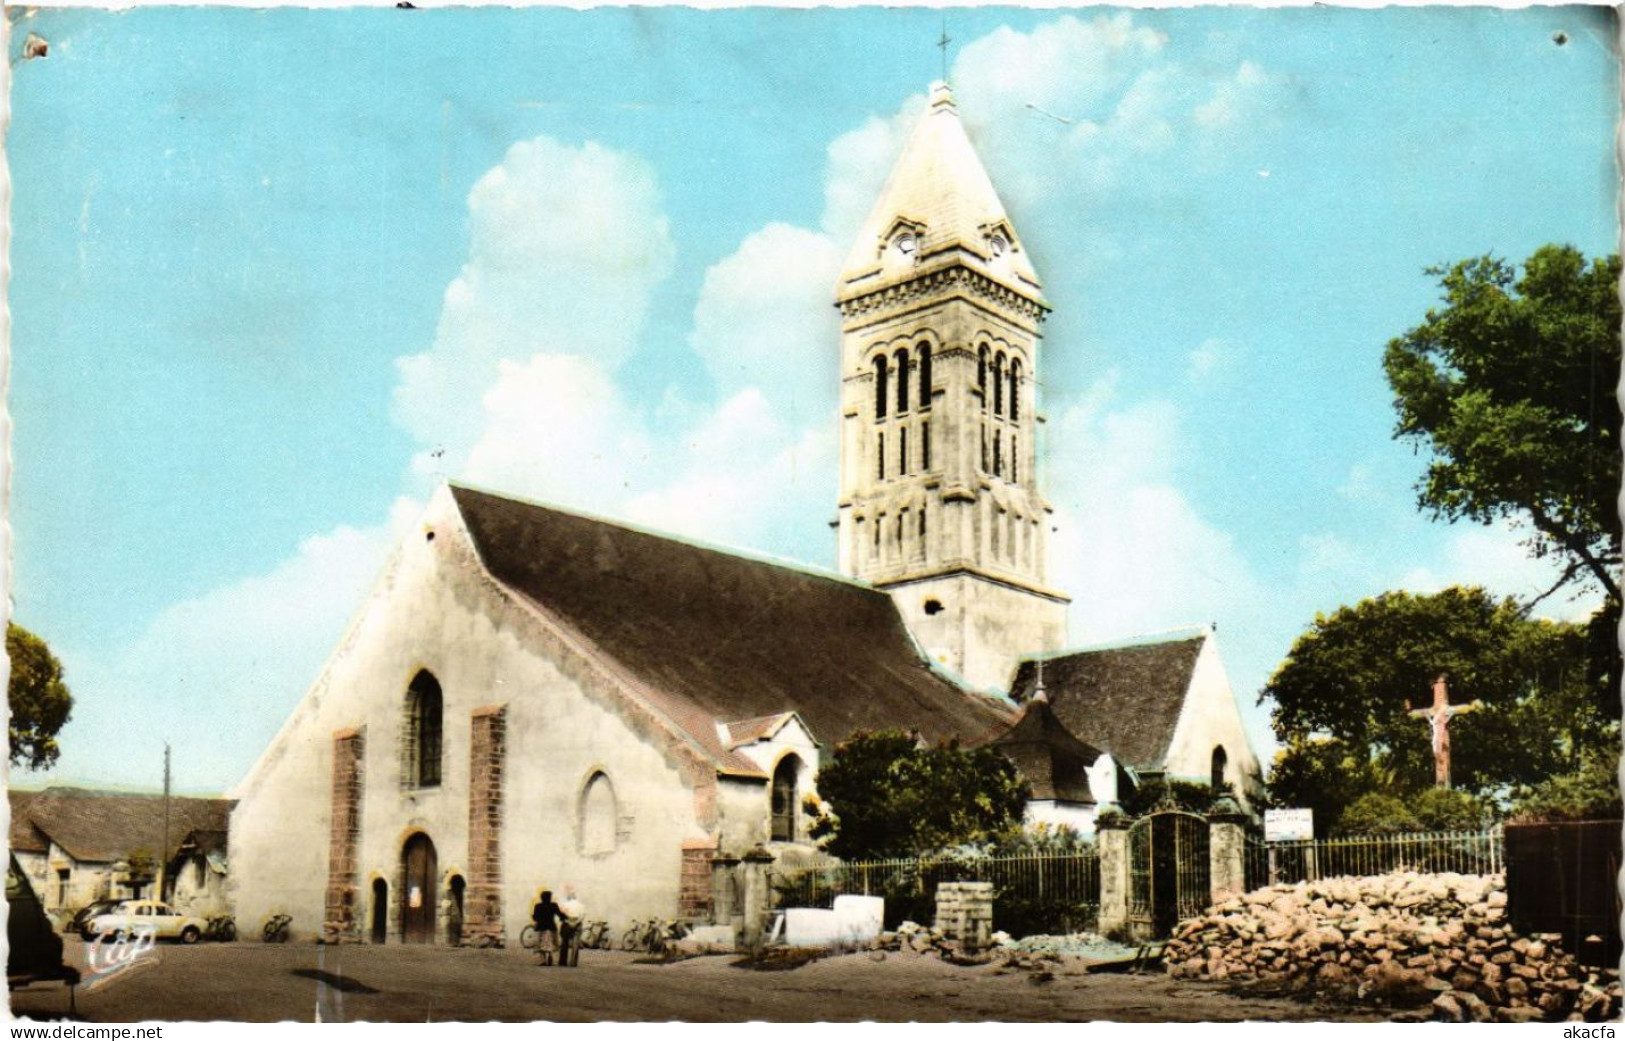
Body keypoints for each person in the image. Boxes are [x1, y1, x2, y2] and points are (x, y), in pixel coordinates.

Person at [530, 890, 561, 966]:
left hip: (541, 927)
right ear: (550, 898)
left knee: (541, 944)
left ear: (542, 898)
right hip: (551, 927)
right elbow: (559, 914)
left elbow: (535, 918)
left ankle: (543, 960)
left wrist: (533, 916)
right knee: (550, 943)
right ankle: (550, 955)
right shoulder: (554, 905)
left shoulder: (538, 906)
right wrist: (565, 918)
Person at [557, 887, 585, 967]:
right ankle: (573, 962)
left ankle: (563, 961)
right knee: (575, 944)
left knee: (564, 943)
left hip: (566, 924)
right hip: (577, 924)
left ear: (568, 897)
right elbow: (582, 916)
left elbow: (561, 916)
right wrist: (576, 922)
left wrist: (568, 921)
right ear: (575, 897)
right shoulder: (581, 905)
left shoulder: (565, 905)